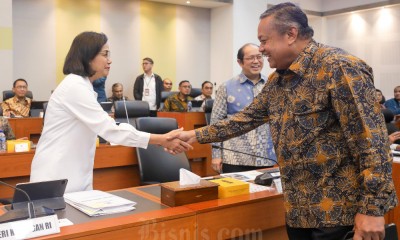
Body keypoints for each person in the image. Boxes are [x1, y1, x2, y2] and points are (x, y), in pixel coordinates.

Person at [174, 3, 397, 240]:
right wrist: (193, 135)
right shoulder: (279, 79)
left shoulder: (339, 67)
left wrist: (372, 209)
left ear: (290, 34)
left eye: (264, 40)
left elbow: (371, 141)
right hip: (298, 211)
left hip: (338, 213)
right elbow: (244, 119)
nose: (261, 49)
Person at [30, 32, 191, 193]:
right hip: (54, 178)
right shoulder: (74, 86)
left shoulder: (83, 86)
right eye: (105, 54)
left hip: (73, 179)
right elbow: (111, 130)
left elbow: (111, 126)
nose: (110, 60)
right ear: (88, 56)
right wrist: (161, 139)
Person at [211, 44, 276, 173]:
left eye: (259, 57)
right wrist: (216, 155)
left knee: (266, 193)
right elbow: (216, 123)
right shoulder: (226, 87)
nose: (256, 61)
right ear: (240, 62)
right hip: (235, 156)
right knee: (235, 192)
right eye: (251, 58)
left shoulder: (272, 85)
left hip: (266, 156)